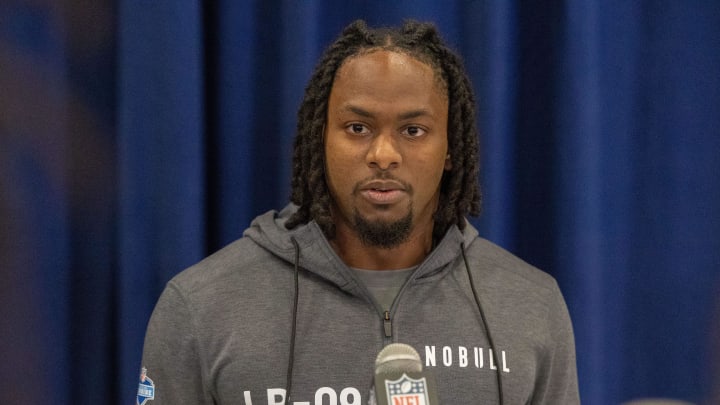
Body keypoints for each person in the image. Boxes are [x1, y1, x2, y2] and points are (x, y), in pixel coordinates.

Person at [138, 20, 580, 405]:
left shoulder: (531, 307)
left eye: (413, 130)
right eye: (357, 128)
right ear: (320, 140)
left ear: (450, 148)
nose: (383, 154)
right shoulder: (202, 306)